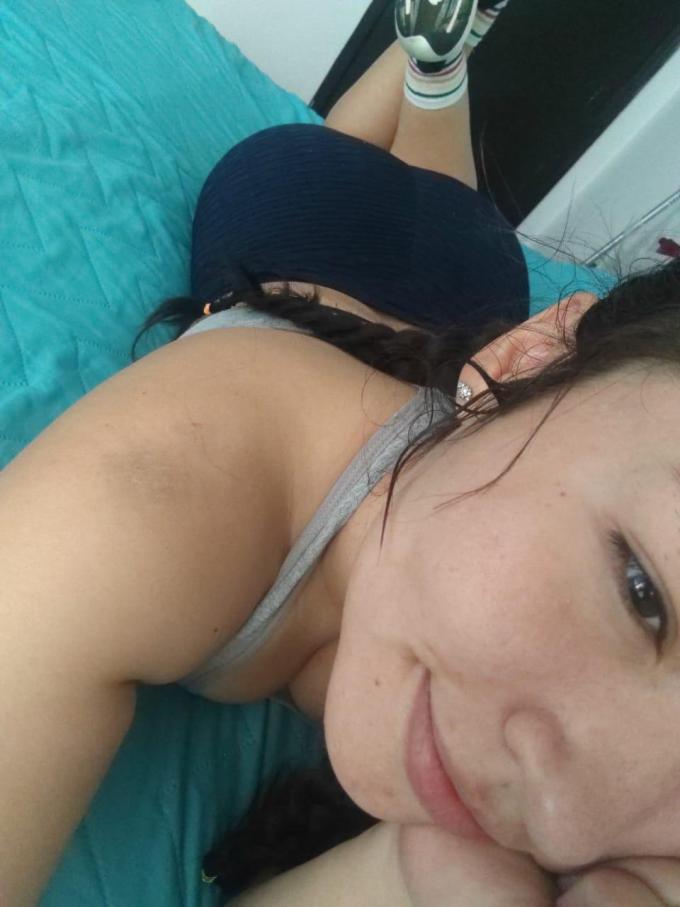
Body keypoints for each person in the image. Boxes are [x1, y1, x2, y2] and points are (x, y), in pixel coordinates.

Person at [2, 1, 680, 905]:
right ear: (531, 356)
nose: (563, 821)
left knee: (453, 214)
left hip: (468, 307)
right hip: (307, 230)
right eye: (642, 590)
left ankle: (434, 60)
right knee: (335, 156)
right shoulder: (164, 483)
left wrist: (411, 877)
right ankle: (433, 62)